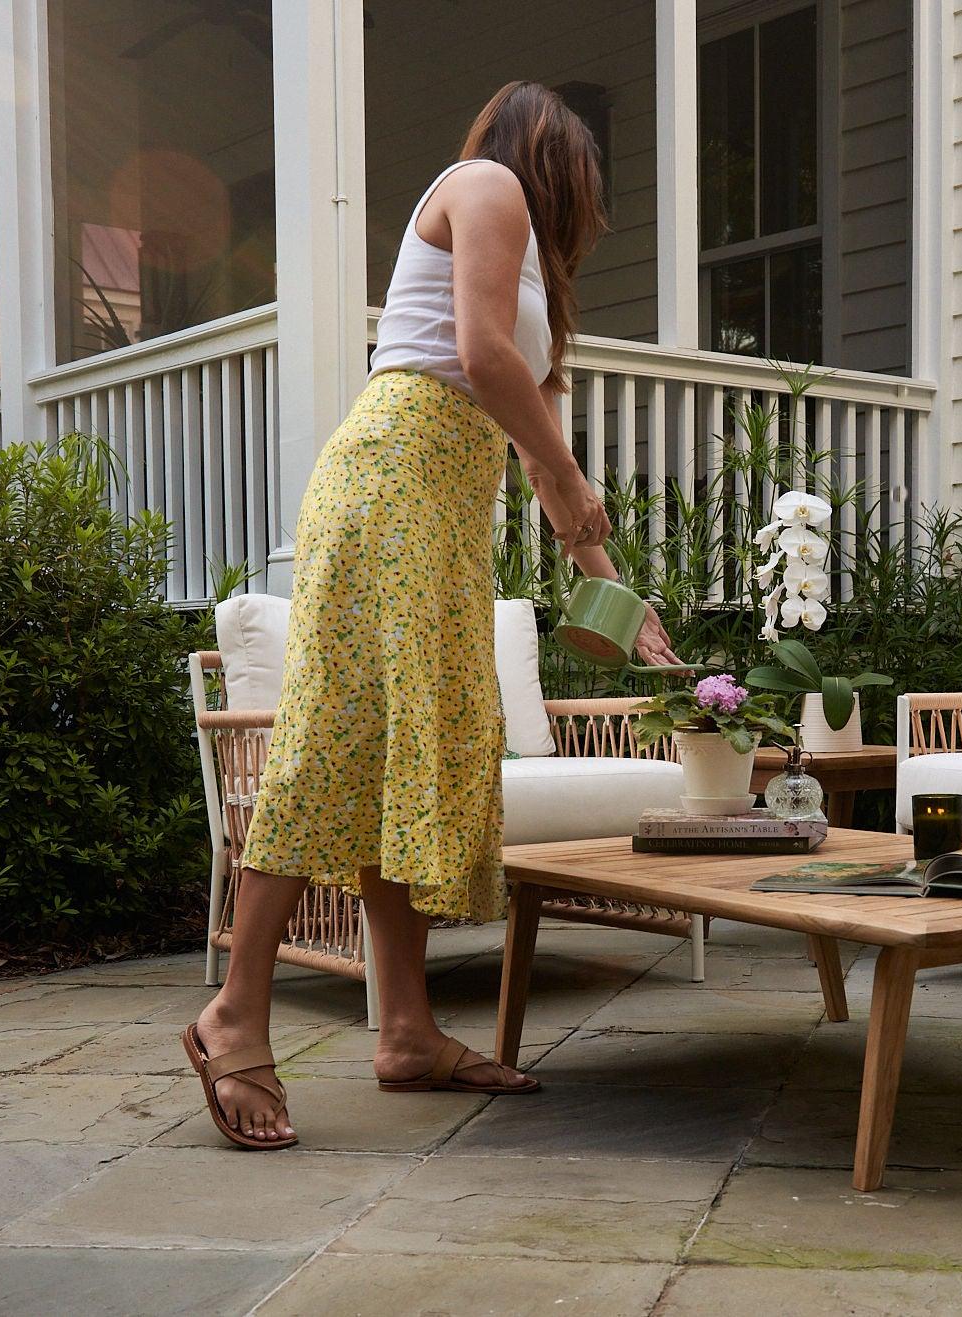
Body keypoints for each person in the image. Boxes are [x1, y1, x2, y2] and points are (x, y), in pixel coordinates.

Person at [182, 81, 681, 1148]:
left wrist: (620, 599)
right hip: (391, 482)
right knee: (332, 741)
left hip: (446, 511)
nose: (582, 204)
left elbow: (555, 476)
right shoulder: (485, 182)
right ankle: (234, 1013)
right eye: (582, 180)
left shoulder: (533, 277)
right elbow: (481, 360)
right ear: (550, 158)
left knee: (405, 753)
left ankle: (406, 1033)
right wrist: (557, 464)